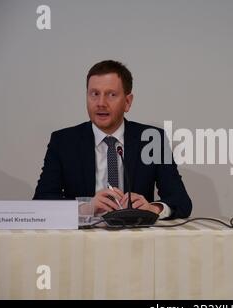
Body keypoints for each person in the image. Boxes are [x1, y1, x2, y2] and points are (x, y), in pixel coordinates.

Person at [33, 60, 192, 219]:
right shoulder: (63, 142)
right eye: (94, 94)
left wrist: (153, 208)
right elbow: (41, 201)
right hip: (83, 239)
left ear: (127, 102)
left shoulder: (152, 140)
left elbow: (181, 201)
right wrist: (86, 207)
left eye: (111, 95)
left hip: (137, 238)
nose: (101, 103)